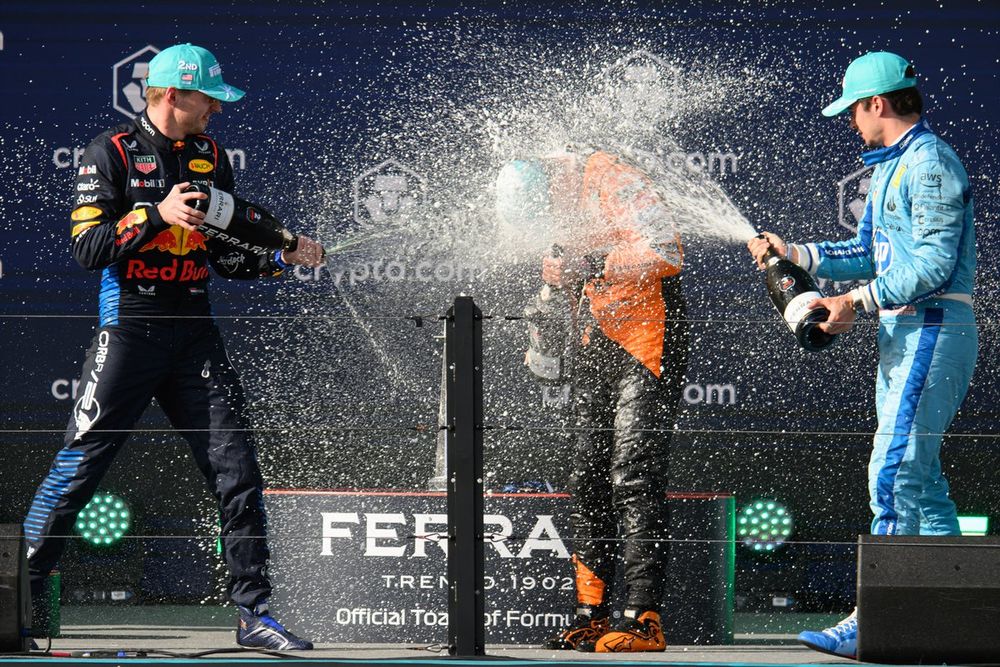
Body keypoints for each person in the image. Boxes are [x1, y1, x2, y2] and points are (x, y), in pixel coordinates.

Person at [23, 43, 323, 651]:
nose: (215, 108)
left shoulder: (210, 156)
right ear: (170, 96)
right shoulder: (108, 152)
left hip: (194, 332)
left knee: (237, 469)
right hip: (129, 328)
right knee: (80, 468)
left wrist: (277, 258)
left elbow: (222, 252)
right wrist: (155, 214)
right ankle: (17, 601)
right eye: (206, 98)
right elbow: (90, 250)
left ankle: (254, 614)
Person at [748, 51, 977, 659]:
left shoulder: (929, 164)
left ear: (876, 103)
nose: (850, 120)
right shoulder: (891, 168)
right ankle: (955, 619)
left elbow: (931, 264)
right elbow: (868, 252)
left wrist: (856, 302)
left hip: (931, 327)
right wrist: (795, 253)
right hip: (907, 331)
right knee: (920, 483)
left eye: (853, 108)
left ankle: (878, 617)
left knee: (896, 471)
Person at [497, 149, 689, 652]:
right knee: (586, 477)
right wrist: (548, 305)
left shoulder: (615, 179)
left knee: (632, 471)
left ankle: (643, 616)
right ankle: (592, 614)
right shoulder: (558, 196)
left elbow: (668, 251)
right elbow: (567, 274)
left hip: (646, 336)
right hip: (595, 339)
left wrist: (594, 262)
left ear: (554, 181)